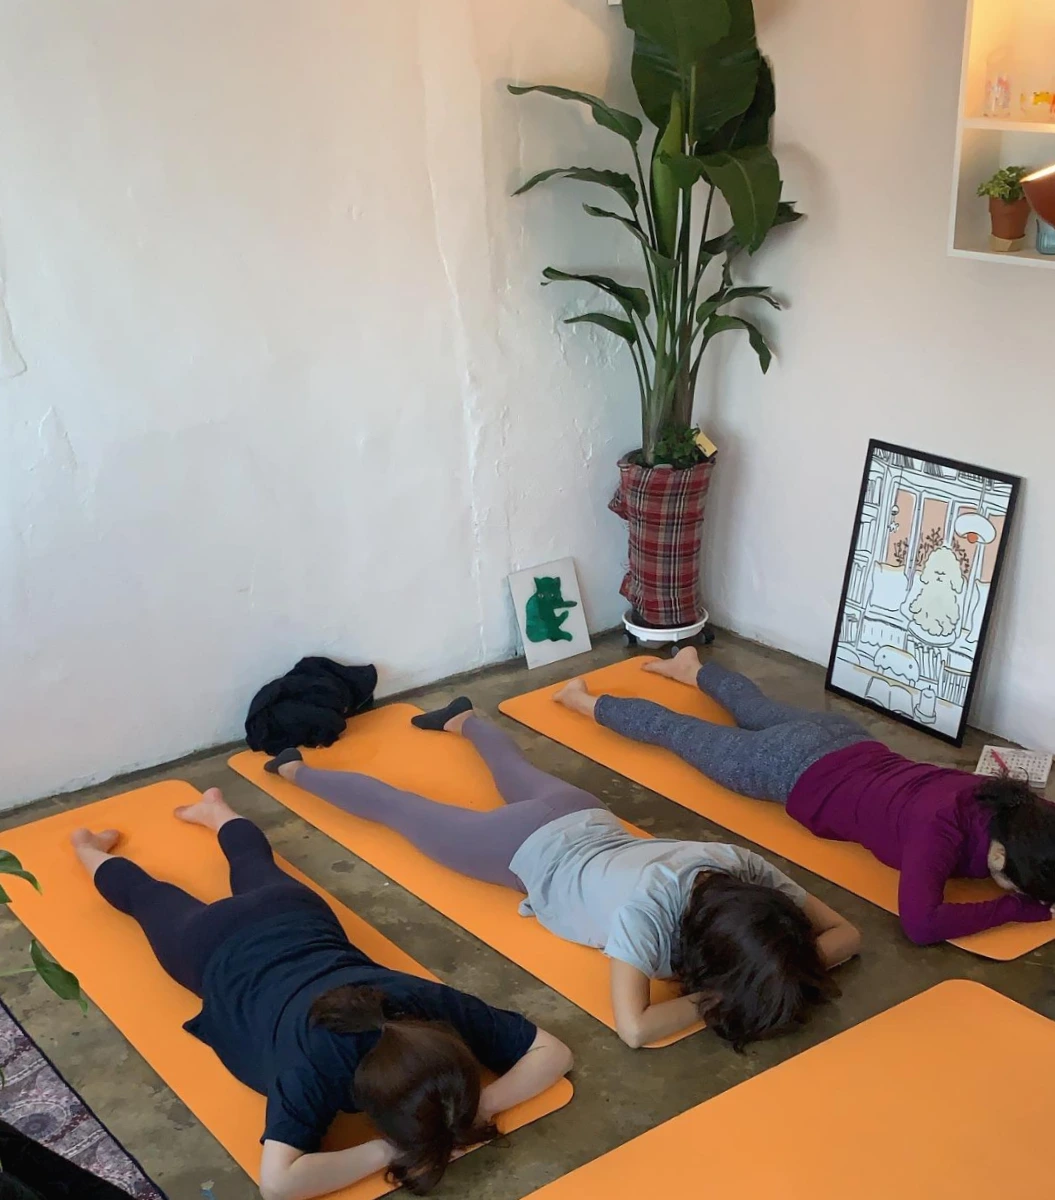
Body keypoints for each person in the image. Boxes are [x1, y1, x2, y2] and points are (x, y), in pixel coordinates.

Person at [265, 699, 860, 1053]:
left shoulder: (741, 867)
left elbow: (848, 936)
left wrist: (782, 966)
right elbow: (635, 1028)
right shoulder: (646, 916)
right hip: (519, 847)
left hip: (581, 814)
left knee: (509, 764)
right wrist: (727, 996)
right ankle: (293, 771)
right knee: (399, 808)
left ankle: (465, 717)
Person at [71, 790, 572, 1200]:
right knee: (149, 896)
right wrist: (395, 1149)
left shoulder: (426, 1002)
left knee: (241, 865)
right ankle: (92, 844)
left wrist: (472, 1110)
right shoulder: (313, 1065)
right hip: (213, 948)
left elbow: (555, 1052)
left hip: (292, 914)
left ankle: (197, 815)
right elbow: (278, 1184)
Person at [553, 648, 1055, 946]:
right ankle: (579, 699)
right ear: (999, 855)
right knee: (677, 731)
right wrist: (1019, 910)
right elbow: (920, 924)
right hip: (785, 768)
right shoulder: (936, 831)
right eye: (1010, 881)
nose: (1009, 889)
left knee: (754, 706)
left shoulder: (1012, 801)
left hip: (843, 736)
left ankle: (691, 667)